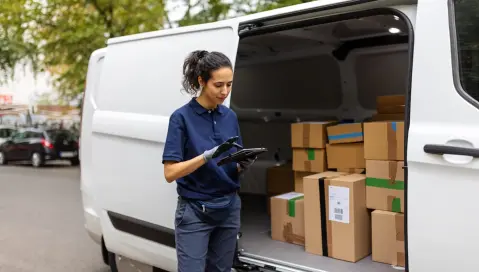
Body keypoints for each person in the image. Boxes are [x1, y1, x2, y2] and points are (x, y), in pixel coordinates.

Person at [162, 50, 256, 272]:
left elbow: (231, 162)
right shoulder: (181, 118)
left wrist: (242, 165)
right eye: (218, 85)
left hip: (229, 208)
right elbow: (170, 173)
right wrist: (205, 157)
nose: (225, 91)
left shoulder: (230, 117)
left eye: (229, 85)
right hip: (195, 211)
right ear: (202, 81)